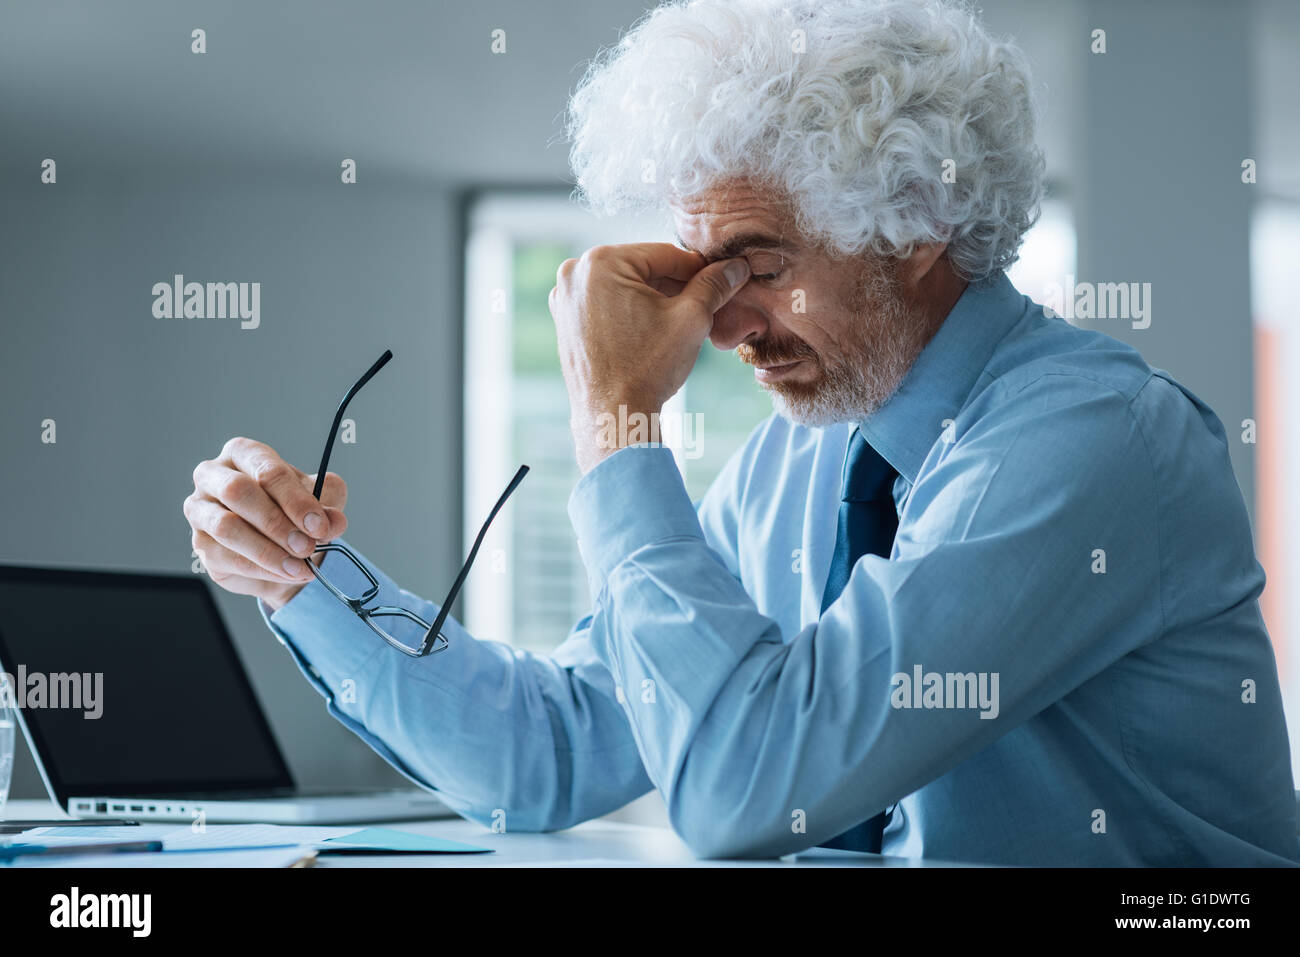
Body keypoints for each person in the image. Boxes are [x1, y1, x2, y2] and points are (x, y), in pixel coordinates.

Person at [182, 0, 1297, 864]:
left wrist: (618, 427)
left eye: (759, 266)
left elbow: (753, 789)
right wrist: (300, 576)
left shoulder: (1092, 444)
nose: (721, 325)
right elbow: (552, 749)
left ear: (915, 225)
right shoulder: (798, 459)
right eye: (703, 271)